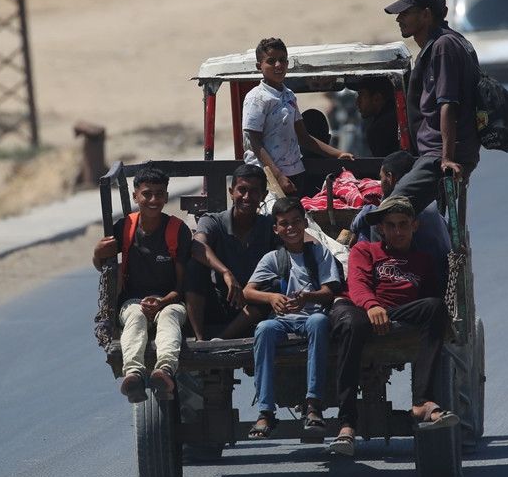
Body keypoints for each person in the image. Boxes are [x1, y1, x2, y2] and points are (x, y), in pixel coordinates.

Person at [327, 195, 457, 457]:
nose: (398, 231)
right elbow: (358, 284)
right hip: (360, 309)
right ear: (381, 229)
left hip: (397, 312)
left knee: (435, 307)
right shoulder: (365, 250)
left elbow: (428, 297)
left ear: (414, 226)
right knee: (352, 325)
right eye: (391, 225)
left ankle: (422, 402)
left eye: (403, 224)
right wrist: (372, 305)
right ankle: (347, 423)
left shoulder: (423, 260)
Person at [242, 197, 343, 438]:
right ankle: (265, 411)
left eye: (296, 221)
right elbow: (248, 291)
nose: (291, 228)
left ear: (305, 223)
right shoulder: (272, 258)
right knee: (264, 329)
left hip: (312, 315)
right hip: (282, 320)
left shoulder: (319, 253)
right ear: (276, 229)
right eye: (284, 223)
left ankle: (313, 404)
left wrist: (307, 297)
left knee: (319, 322)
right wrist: (271, 298)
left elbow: (329, 292)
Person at [92, 166, 191, 403]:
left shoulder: (177, 230)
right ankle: (134, 374)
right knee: (135, 316)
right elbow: (104, 268)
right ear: (136, 196)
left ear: (166, 197)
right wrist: (97, 253)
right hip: (133, 302)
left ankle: (164, 371)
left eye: (159, 194)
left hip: (170, 301)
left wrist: (162, 302)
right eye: (147, 194)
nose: (153, 200)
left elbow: (182, 285)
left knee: (169, 317)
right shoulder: (124, 227)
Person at [381, 0, 481, 213]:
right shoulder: (446, 43)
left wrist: (446, 158)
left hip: (438, 156)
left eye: (406, 13)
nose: (399, 19)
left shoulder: (443, 46)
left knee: (390, 211)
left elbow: (448, 103)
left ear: (426, 15)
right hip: (434, 153)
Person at [243, 37, 353, 198]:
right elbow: (254, 141)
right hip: (267, 178)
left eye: (282, 60)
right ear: (259, 66)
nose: (278, 65)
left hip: (294, 173)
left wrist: (338, 154)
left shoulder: (289, 95)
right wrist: (278, 176)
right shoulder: (257, 97)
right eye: (271, 61)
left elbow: (304, 137)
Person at [186, 163, 277, 340]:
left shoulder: (269, 225)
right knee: (194, 268)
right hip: (219, 300)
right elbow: (197, 246)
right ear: (231, 192)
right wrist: (226, 273)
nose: (247, 197)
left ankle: (222, 339)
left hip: (252, 305)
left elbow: (300, 238)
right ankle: (200, 339)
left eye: (254, 191)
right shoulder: (213, 220)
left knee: (275, 283)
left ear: (264, 195)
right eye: (242, 190)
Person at [349, 150, 451, 287]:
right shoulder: (431, 204)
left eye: (381, 178)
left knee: (368, 223)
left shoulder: (398, 207)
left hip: (421, 280)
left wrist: (357, 224)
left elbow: (373, 215)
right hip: (442, 275)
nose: (380, 183)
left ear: (390, 178)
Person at [353, 77, 400, 157]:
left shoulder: (381, 127)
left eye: (362, 95)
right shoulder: (394, 116)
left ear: (377, 98)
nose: (357, 102)